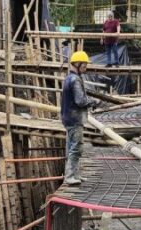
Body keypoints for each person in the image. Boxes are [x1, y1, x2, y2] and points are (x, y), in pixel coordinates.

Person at [60, 50, 96, 186]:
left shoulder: (69, 78)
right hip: (74, 119)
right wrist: (93, 102)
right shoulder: (75, 80)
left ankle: (75, 175)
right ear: (77, 64)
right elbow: (80, 100)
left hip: (68, 118)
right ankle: (70, 177)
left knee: (71, 148)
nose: (86, 67)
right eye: (84, 65)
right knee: (76, 148)